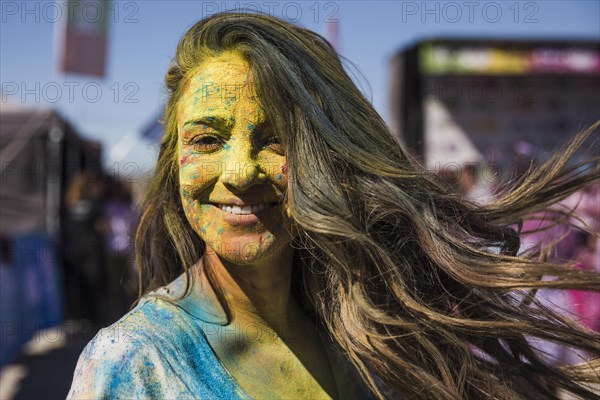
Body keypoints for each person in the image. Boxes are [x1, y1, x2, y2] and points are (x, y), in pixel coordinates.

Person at [68, 12, 600, 400]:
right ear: (174, 162)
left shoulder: (365, 326)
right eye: (207, 140)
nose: (238, 172)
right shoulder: (134, 363)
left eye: (276, 139)